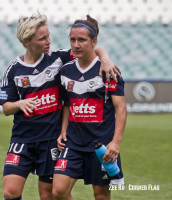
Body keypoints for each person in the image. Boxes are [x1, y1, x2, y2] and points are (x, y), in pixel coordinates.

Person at [0, 12, 120, 200]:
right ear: (26, 42)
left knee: (48, 195)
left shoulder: (58, 58)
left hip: (50, 140)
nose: (48, 41)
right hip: (22, 138)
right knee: (10, 192)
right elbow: (6, 108)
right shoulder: (13, 69)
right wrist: (19, 103)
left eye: (48, 36)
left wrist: (106, 59)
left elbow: (91, 48)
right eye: (42, 38)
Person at [52, 15, 127, 200]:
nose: (76, 44)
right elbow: (67, 104)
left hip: (101, 145)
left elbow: (121, 109)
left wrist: (116, 143)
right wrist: (63, 130)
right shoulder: (66, 71)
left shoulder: (108, 71)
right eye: (72, 39)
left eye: (82, 40)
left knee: (100, 195)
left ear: (94, 41)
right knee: (59, 191)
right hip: (74, 143)